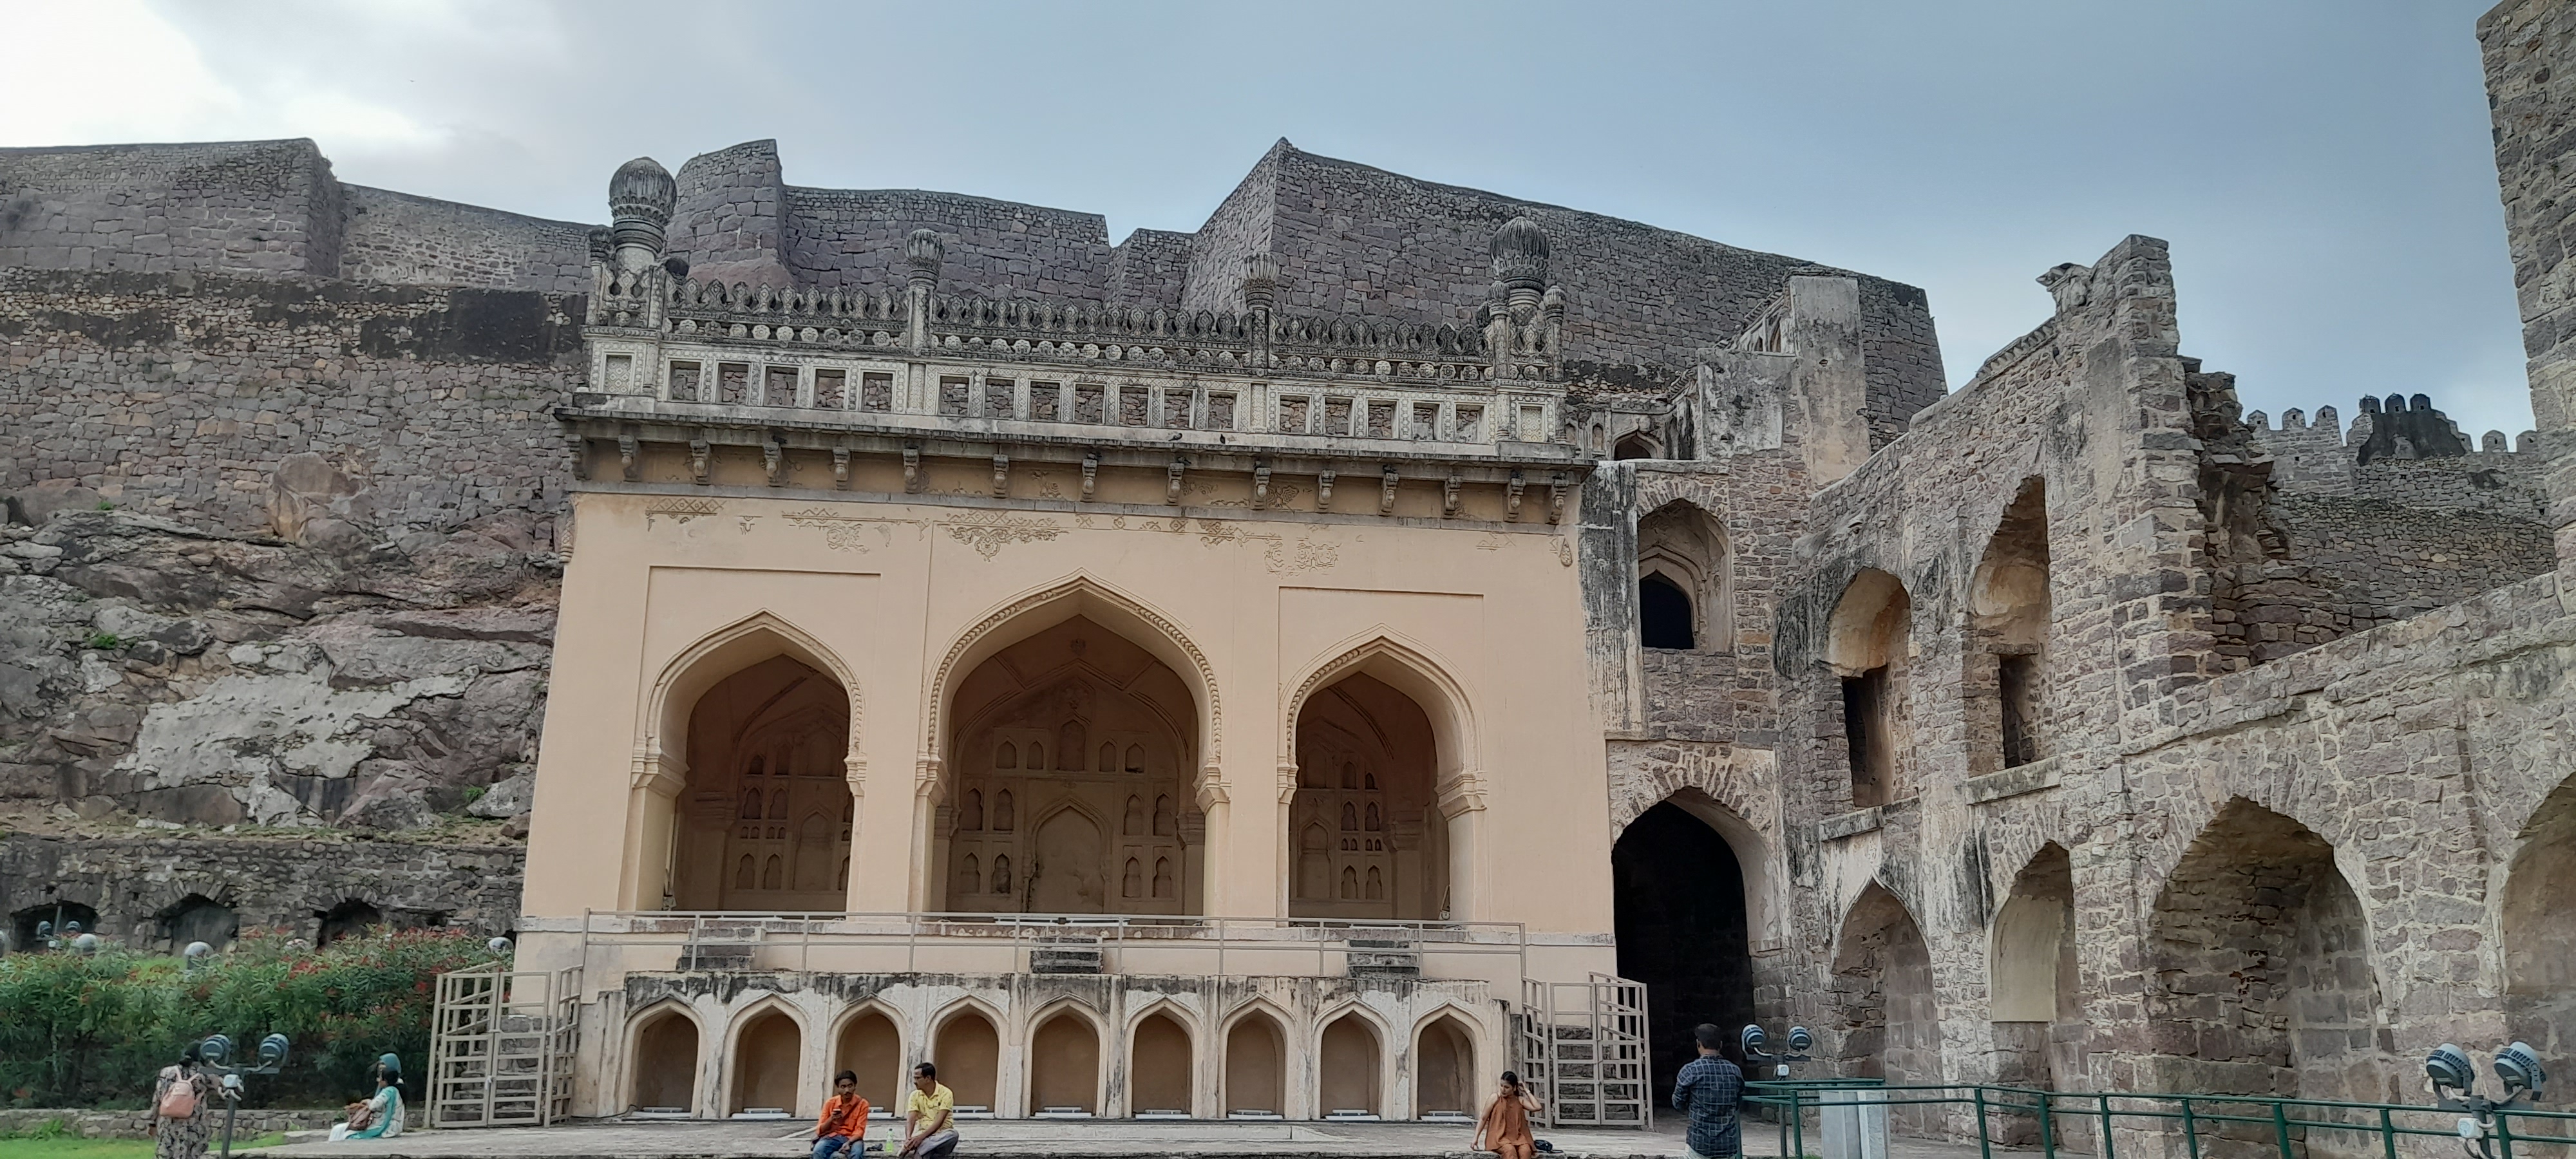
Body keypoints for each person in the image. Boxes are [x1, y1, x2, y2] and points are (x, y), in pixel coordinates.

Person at [1671, 1024, 1746, 1159]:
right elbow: (1738, 1102)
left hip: (1700, 1142)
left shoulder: (1690, 1071)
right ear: (1721, 1045)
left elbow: (1678, 1103)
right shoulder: (1735, 1071)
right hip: (1728, 1143)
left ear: (1698, 1044)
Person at [149, 1044, 220, 1159]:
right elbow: (223, 1089)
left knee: (167, 1154)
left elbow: (157, 1098)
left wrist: (152, 1122)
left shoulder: (167, 1072)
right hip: (194, 1125)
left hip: (168, 1124)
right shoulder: (205, 1075)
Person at [330, 1055, 405, 1142]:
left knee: (349, 1136)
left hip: (386, 1126)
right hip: (393, 1126)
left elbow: (374, 1105)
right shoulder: (395, 1089)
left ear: (386, 1080)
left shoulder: (389, 1091)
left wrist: (367, 1102)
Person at [1473, 1070, 1543, 1159]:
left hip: (1518, 1138)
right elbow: (1483, 1118)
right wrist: (1475, 1139)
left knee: (1526, 1151)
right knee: (1510, 1150)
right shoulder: (1495, 1098)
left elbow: (1537, 1107)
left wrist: (1526, 1090)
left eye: (1506, 1087)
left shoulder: (1519, 1100)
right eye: (1501, 1086)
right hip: (1499, 1138)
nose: (1503, 1089)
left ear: (1514, 1088)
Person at [899, 1062, 957, 1159]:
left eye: (918, 1078)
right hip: (923, 1135)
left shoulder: (946, 1093)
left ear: (928, 1079)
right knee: (924, 1151)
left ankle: (919, 1150)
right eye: (914, 1078)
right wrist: (908, 1138)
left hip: (941, 1136)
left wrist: (921, 1138)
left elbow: (939, 1121)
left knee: (953, 1135)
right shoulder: (915, 1095)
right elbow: (911, 1118)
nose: (915, 1082)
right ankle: (921, 1151)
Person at [813, 1070, 872, 1159]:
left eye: (850, 1086)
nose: (847, 1090)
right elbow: (820, 1131)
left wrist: (849, 1143)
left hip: (852, 1139)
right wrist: (831, 1119)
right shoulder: (830, 1103)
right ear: (838, 1089)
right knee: (818, 1151)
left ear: (855, 1087)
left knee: (856, 1153)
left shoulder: (863, 1104)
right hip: (832, 1137)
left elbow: (860, 1130)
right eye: (843, 1087)